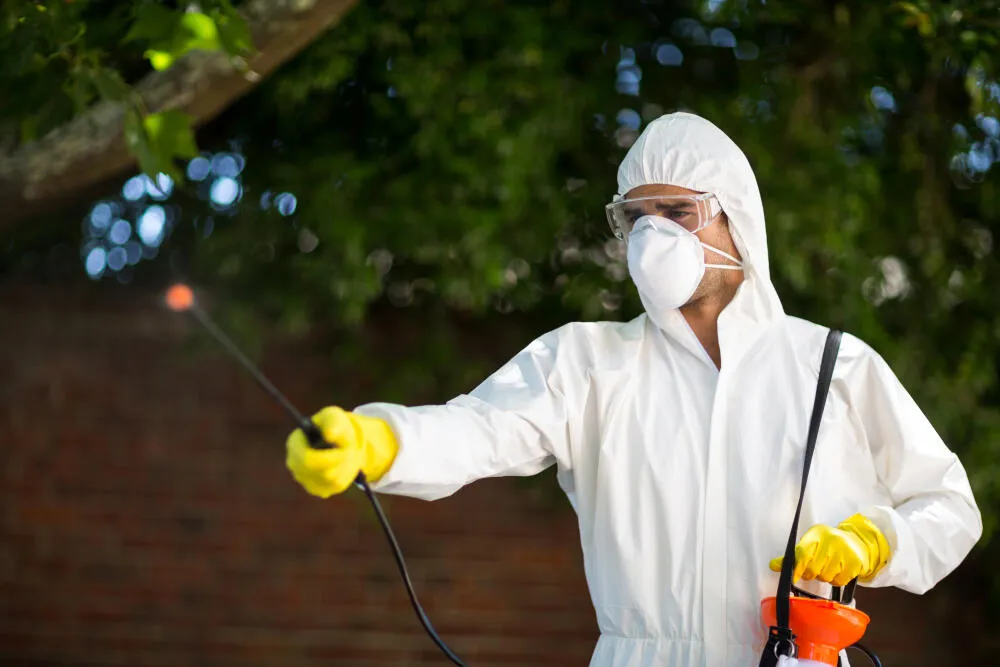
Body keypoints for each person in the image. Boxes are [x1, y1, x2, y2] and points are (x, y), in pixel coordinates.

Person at [284, 112, 982, 667]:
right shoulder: (590, 362)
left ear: (734, 216)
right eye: (636, 217)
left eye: (677, 212)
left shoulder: (832, 365)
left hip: (797, 655)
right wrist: (379, 441)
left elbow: (951, 507)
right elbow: (478, 429)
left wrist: (876, 540)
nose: (654, 236)